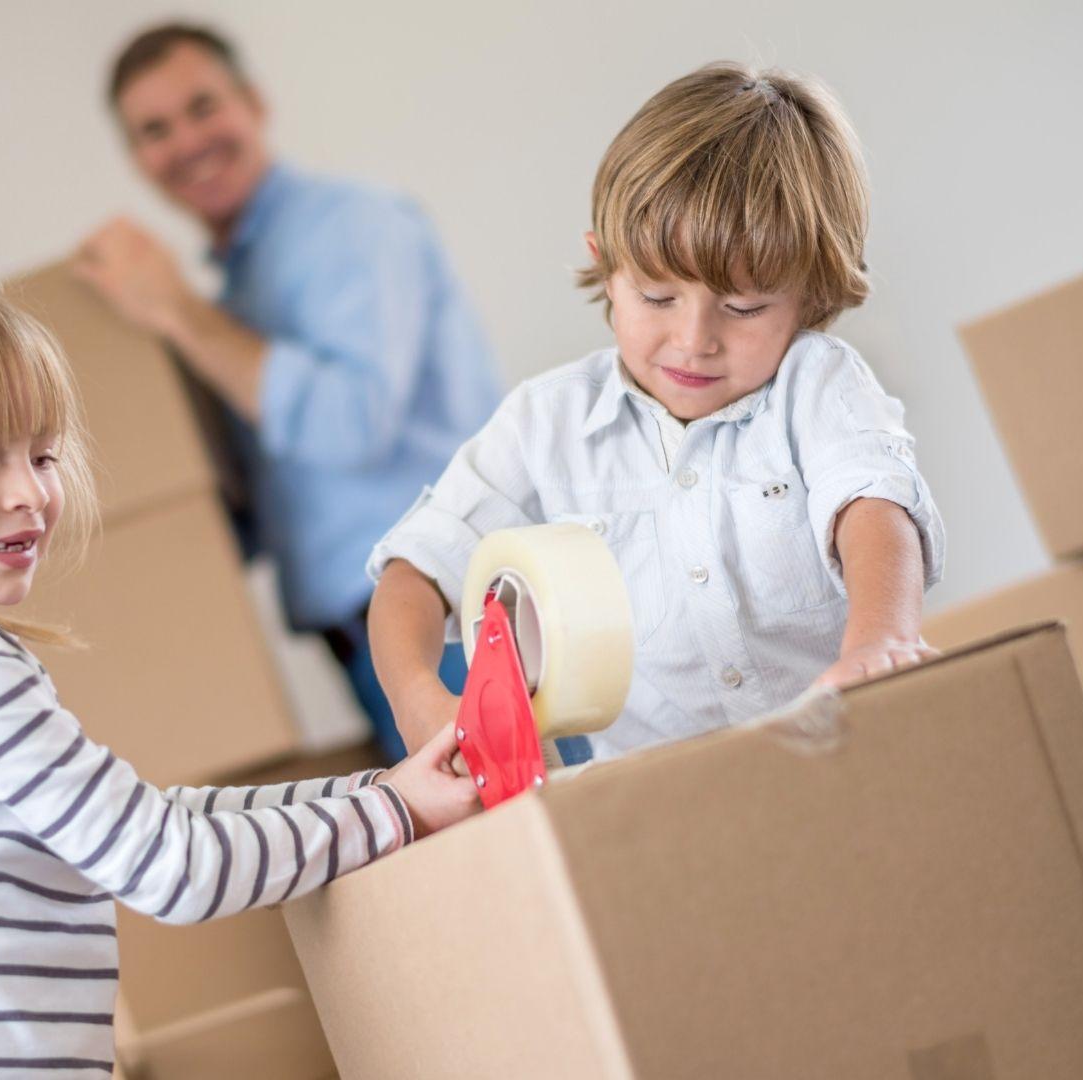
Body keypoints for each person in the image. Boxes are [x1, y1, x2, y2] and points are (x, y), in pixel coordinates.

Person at [0, 274, 476, 1075]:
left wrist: (376, 792)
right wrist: (395, 815)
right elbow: (169, 867)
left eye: (43, 455)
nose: (31, 492)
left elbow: (146, 821)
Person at [367, 64, 947, 763]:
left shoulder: (816, 387)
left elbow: (873, 503)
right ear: (607, 268)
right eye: (656, 296)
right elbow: (415, 571)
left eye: (744, 308)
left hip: (850, 755)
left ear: (811, 298)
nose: (694, 339)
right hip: (668, 809)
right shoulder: (543, 425)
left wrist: (882, 640)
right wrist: (419, 698)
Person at [73, 23, 501, 763]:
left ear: (255, 103)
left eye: (203, 107)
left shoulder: (353, 228)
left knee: (537, 851)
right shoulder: (239, 293)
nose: (186, 141)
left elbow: (348, 425)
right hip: (363, 643)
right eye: (155, 130)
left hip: (449, 619)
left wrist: (176, 309)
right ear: (138, 159)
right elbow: (269, 512)